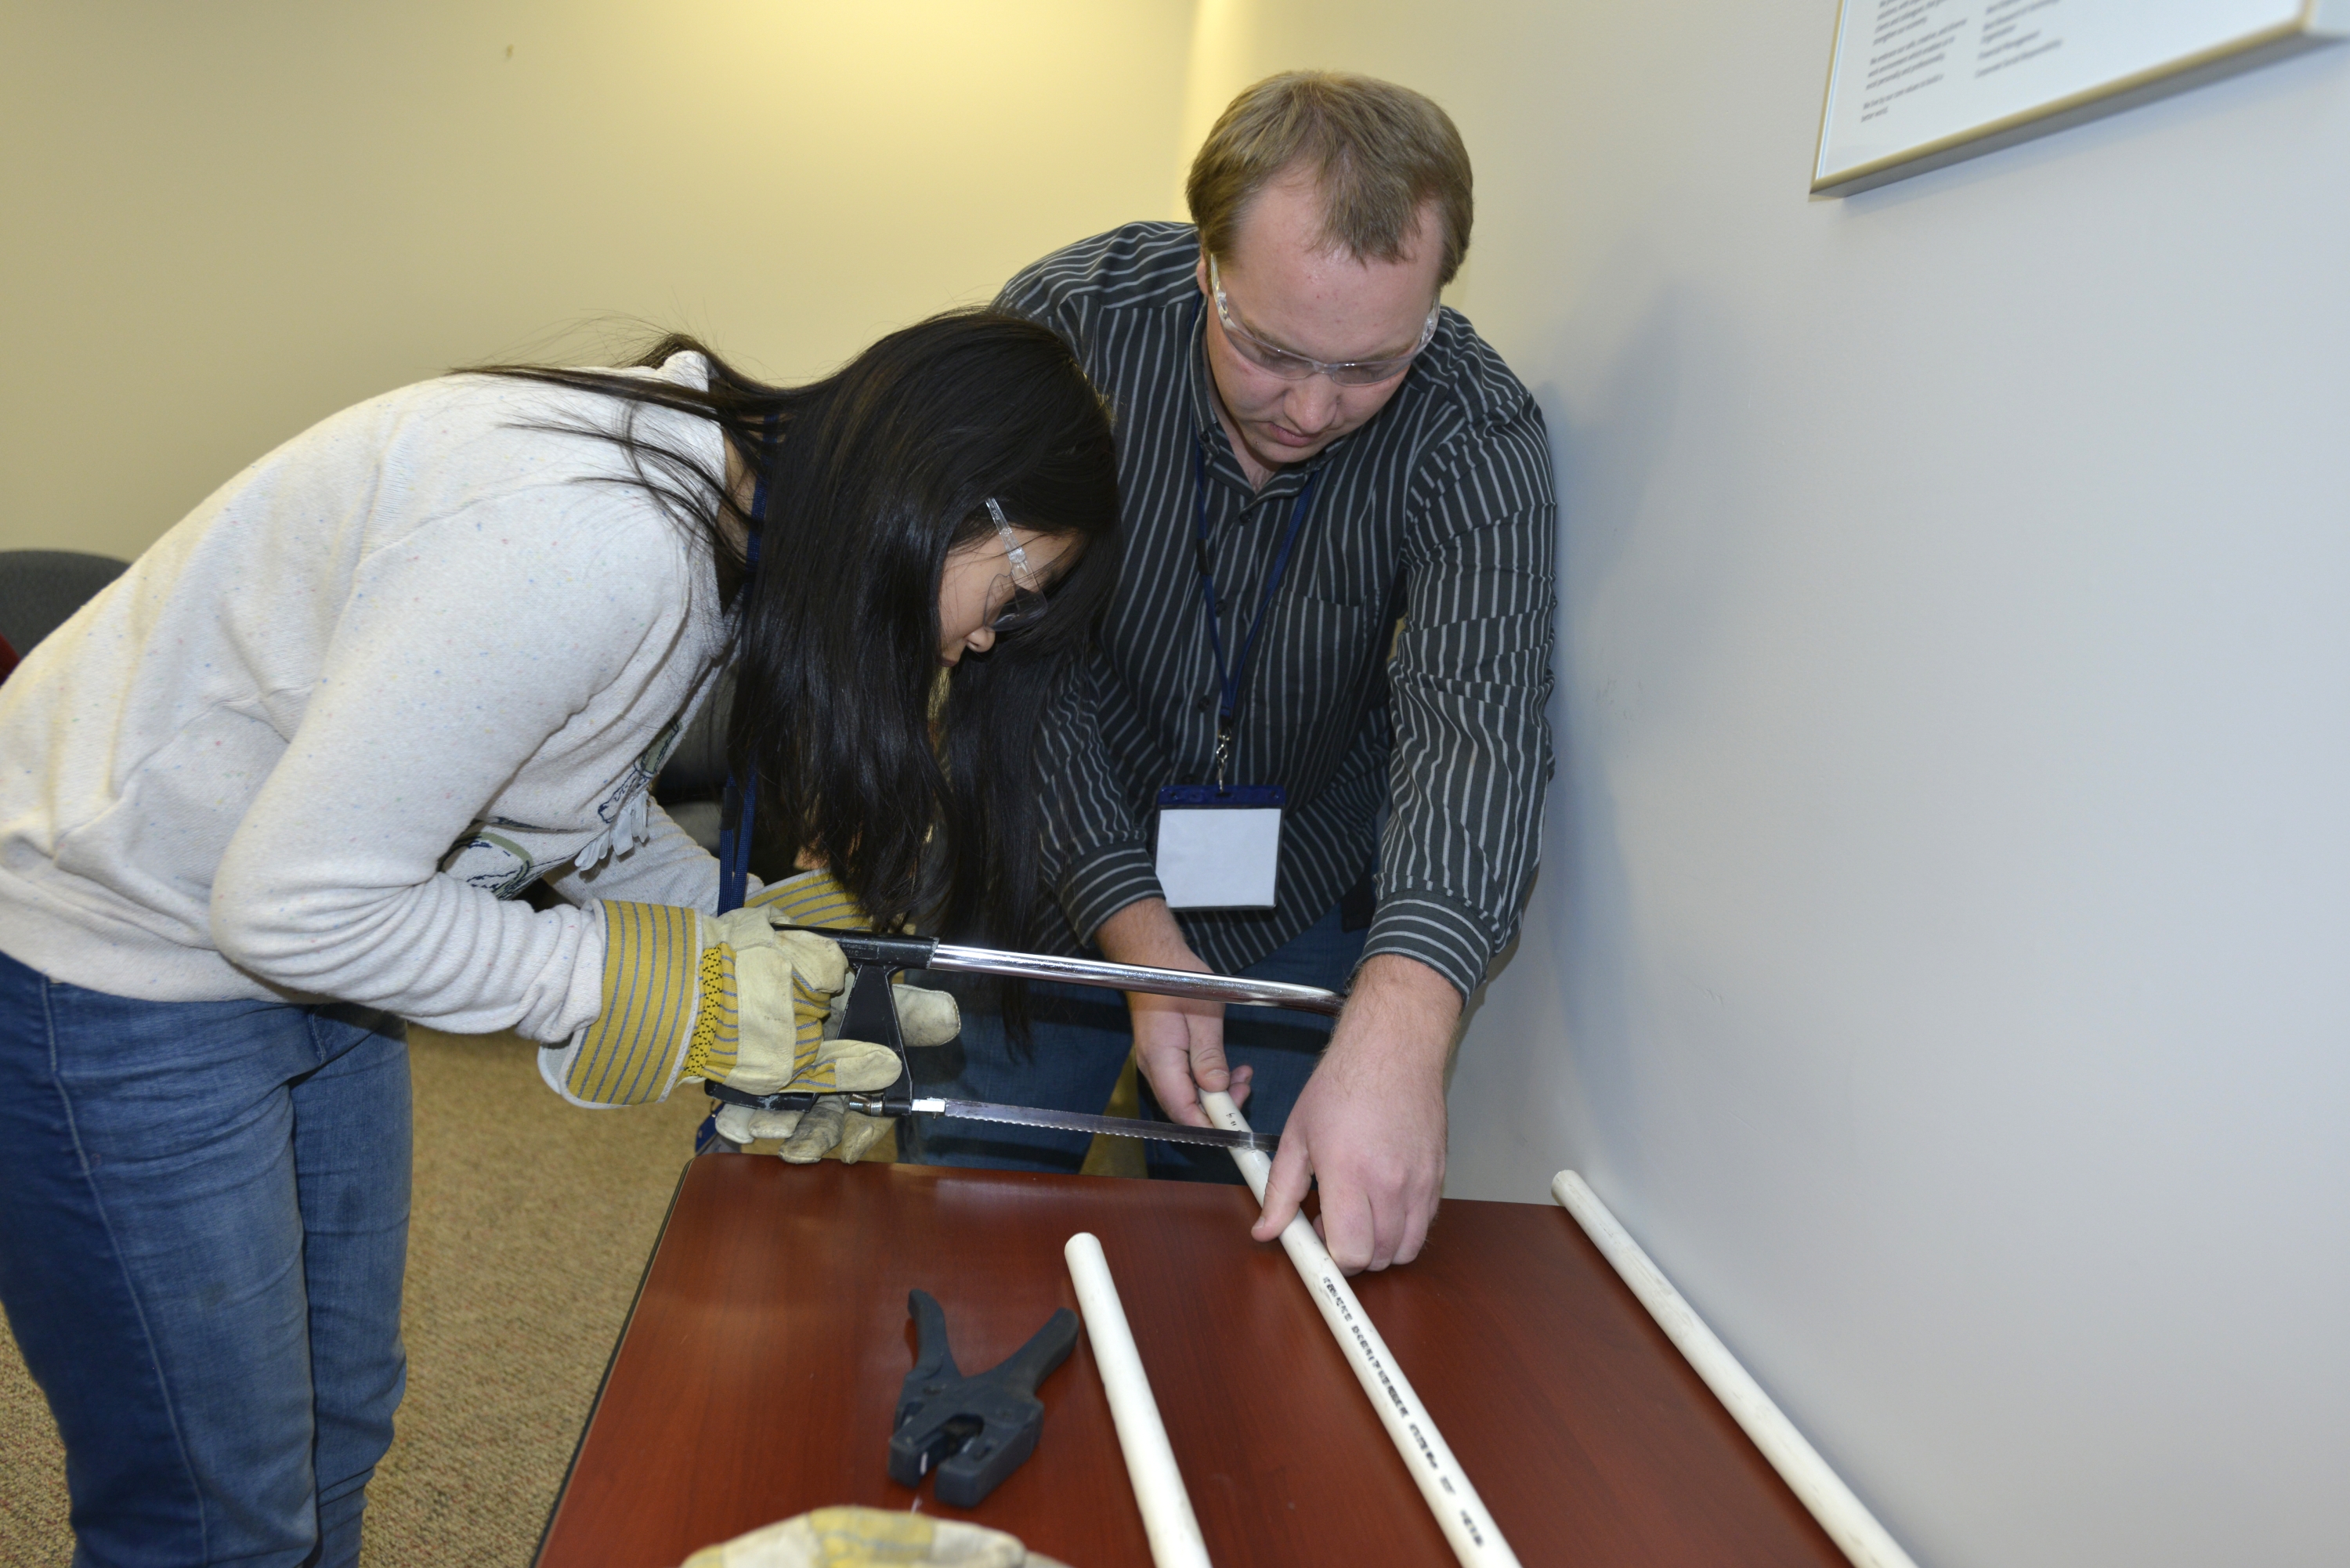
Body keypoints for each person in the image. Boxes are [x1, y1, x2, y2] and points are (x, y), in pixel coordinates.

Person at [0, 311, 1119, 1567]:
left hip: (302, 948)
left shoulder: (709, 511)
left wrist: (745, 938)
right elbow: (294, 904)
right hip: (109, 959)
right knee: (216, 1510)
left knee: (335, 1428)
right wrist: (651, 988)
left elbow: (549, 804)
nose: (977, 643)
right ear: (945, 492)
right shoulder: (601, 536)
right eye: (1007, 593)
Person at [912, 72, 1556, 1276]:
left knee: (1250, 1270)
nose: (1312, 409)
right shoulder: (1070, 327)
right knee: (962, 1215)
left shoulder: (1475, 428)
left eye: (1372, 367)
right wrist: (1139, 932)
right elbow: (1011, 672)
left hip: (1294, 888)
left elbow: (1481, 726)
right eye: (1267, 350)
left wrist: (1406, 1025)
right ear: (1207, 260)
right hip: (1051, 845)